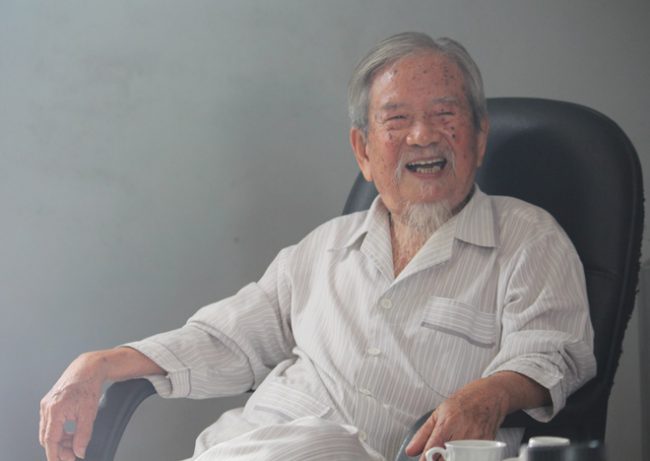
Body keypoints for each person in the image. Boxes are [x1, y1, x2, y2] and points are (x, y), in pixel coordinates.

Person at [40, 32, 596, 461]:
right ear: (363, 151)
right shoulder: (323, 248)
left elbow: (554, 352)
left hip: (351, 452)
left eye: (444, 115)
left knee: (321, 444)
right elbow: (224, 338)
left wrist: (487, 395)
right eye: (397, 119)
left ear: (479, 136)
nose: (423, 136)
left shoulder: (527, 238)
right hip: (247, 445)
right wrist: (100, 364)